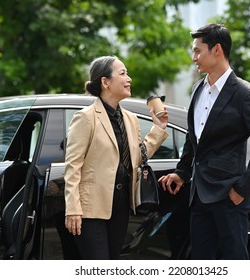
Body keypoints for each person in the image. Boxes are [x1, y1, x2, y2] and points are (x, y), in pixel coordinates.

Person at [158, 23, 250, 260]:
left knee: (234, 259)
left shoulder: (246, 94)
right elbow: (195, 138)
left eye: (197, 51)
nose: (193, 57)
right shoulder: (197, 89)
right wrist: (182, 173)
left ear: (216, 50)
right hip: (198, 194)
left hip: (229, 196)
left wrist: (242, 189)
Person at [64, 55, 168, 260]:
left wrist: (159, 129)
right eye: (122, 73)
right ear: (105, 82)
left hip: (120, 207)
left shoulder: (130, 118)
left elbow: (138, 157)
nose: (128, 78)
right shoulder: (86, 117)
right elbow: (72, 166)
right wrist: (73, 208)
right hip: (90, 210)